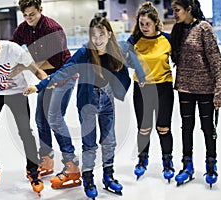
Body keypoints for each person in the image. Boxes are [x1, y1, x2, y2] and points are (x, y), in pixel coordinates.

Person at [23, 16, 145, 199]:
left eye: (101, 34)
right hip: (88, 102)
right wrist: (39, 86)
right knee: (89, 144)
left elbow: (133, 60)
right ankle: (88, 178)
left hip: (107, 100)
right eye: (93, 35)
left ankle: (108, 175)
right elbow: (64, 71)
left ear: (109, 34)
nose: (97, 39)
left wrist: (141, 76)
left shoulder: (118, 48)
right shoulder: (84, 52)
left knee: (109, 140)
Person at [10, 0, 81, 188]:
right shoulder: (23, 28)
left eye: (32, 14)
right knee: (41, 119)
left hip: (63, 75)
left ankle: (72, 166)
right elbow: (13, 49)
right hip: (46, 77)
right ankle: (47, 158)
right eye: (25, 15)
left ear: (40, 10)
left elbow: (55, 62)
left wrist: (24, 67)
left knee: (55, 118)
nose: (28, 19)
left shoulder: (52, 29)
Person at [0, 29, 46, 196]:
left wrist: (46, 81)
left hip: (17, 93)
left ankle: (33, 171)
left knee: (25, 132)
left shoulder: (12, 49)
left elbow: (35, 69)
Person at [171, 0, 221, 188]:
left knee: (207, 128)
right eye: (173, 10)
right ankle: (187, 165)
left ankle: (211, 164)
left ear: (189, 9)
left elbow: (216, 61)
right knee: (186, 128)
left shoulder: (204, 28)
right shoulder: (177, 30)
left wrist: (219, 91)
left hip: (205, 89)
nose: (174, 14)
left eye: (177, 10)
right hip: (185, 88)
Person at [127, 2, 175, 183]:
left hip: (163, 88)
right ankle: (142, 159)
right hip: (142, 90)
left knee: (163, 128)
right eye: (141, 24)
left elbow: (181, 60)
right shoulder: (133, 41)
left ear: (156, 23)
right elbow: (125, 61)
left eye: (148, 24)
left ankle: (168, 162)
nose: (144, 27)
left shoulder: (167, 40)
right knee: (144, 129)